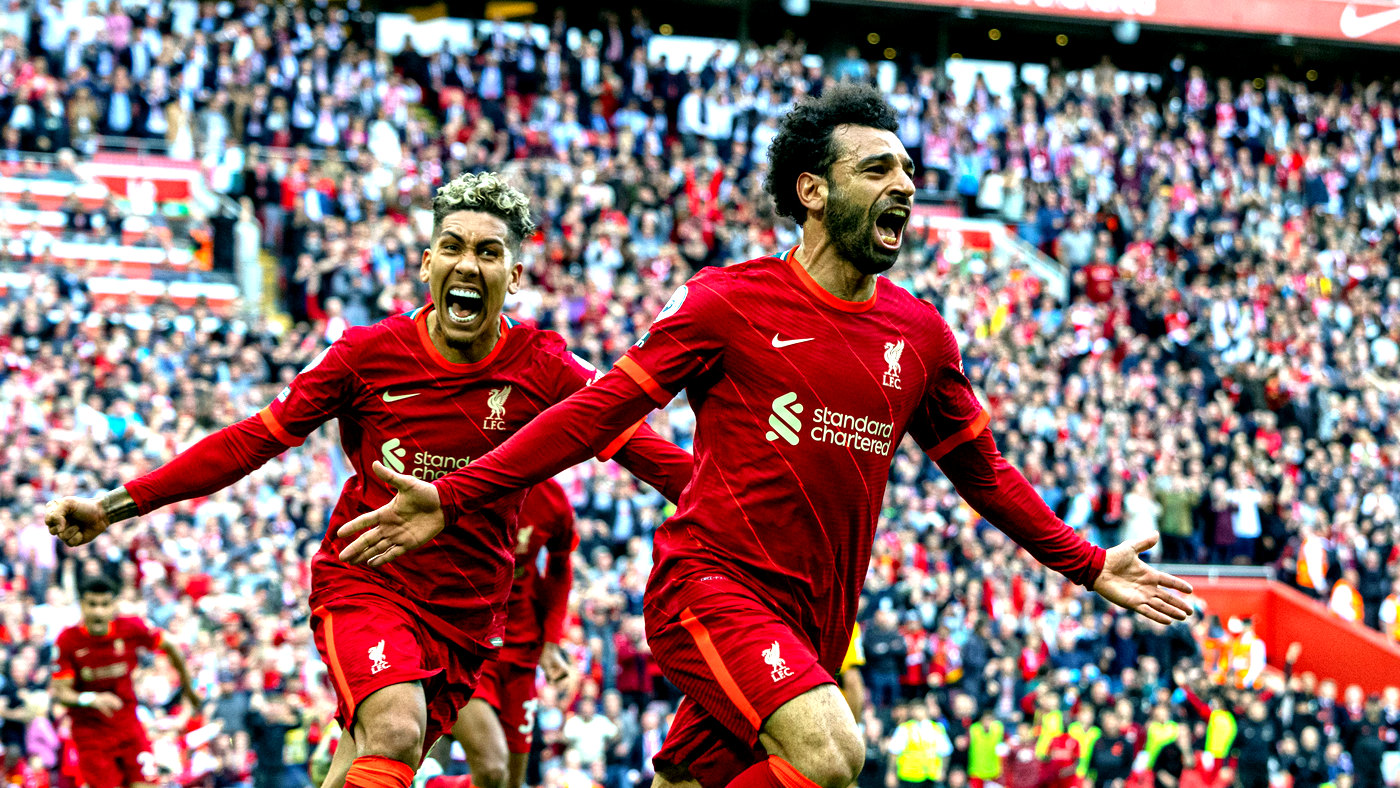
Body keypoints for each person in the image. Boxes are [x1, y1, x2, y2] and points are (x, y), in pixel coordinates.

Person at [333, 83, 1193, 788]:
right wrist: (454, 496)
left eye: (908, 170)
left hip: (814, 623)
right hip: (709, 589)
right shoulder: (728, 302)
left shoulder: (922, 337)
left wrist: (1086, 562)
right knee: (832, 755)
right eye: (877, 169)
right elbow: (598, 413)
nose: (903, 185)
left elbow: (985, 473)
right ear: (812, 191)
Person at [44, 172, 694, 788]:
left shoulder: (545, 365)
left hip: (467, 616)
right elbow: (250, 440)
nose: (468, 264)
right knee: (396, 732)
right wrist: (114, 506)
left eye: (489, 252)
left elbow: (643, 449)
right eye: (452, 247)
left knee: (371, 762)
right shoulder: (366, 354)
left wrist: (736, 515)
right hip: (367, 580)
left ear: (514, 276)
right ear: (427, 264)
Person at [451, 480, 579, 788]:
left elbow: (560, 566)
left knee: (510, 782)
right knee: (492, 769)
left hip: (522, 648)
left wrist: (550, 643)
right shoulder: (465, 478)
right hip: (466, 644)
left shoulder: (551, 498)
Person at [49, 575, 202, 788]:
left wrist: (188, 689)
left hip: (128, 727)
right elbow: (61, 693)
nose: (98, 612)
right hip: (92, 734)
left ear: (114, 605)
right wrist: (91, 699)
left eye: (104, 604)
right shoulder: (68, 641)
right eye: (92, 604)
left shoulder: (130, 628)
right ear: (82, 605)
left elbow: (170, 646)